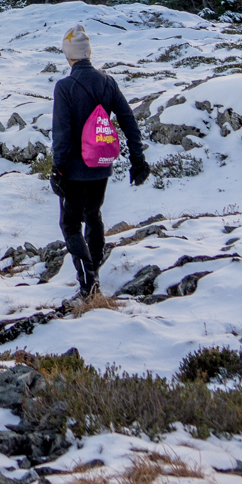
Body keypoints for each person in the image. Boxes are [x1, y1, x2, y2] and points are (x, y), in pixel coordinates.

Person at [48, 24, 149, 301]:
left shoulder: (64, 87)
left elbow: (62, 133)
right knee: (93, 216)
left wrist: (57, 169)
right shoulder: (108, 83)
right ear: (88, 53)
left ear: (69, 55)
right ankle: (95, 277)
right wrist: (137, 159)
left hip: (74, 170)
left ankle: (89, 285)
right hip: (101, 164)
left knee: (70, 225)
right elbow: (128, 120)